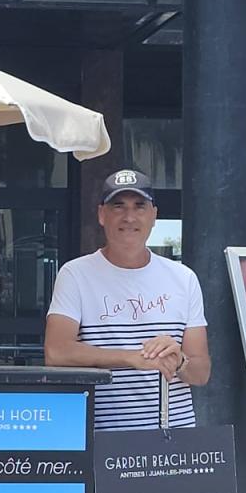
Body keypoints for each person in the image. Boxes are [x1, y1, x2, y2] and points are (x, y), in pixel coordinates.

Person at [44, 169, 211, 429]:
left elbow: (201, 373)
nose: (129, 217)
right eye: (118, 206)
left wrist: (178, 360)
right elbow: (56, 352)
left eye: (139, 206)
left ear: (154, 215)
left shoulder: (184, 278)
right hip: (102, 434)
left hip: (173, 436)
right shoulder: (75, 274)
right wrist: (130, 358)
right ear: (102, 214)